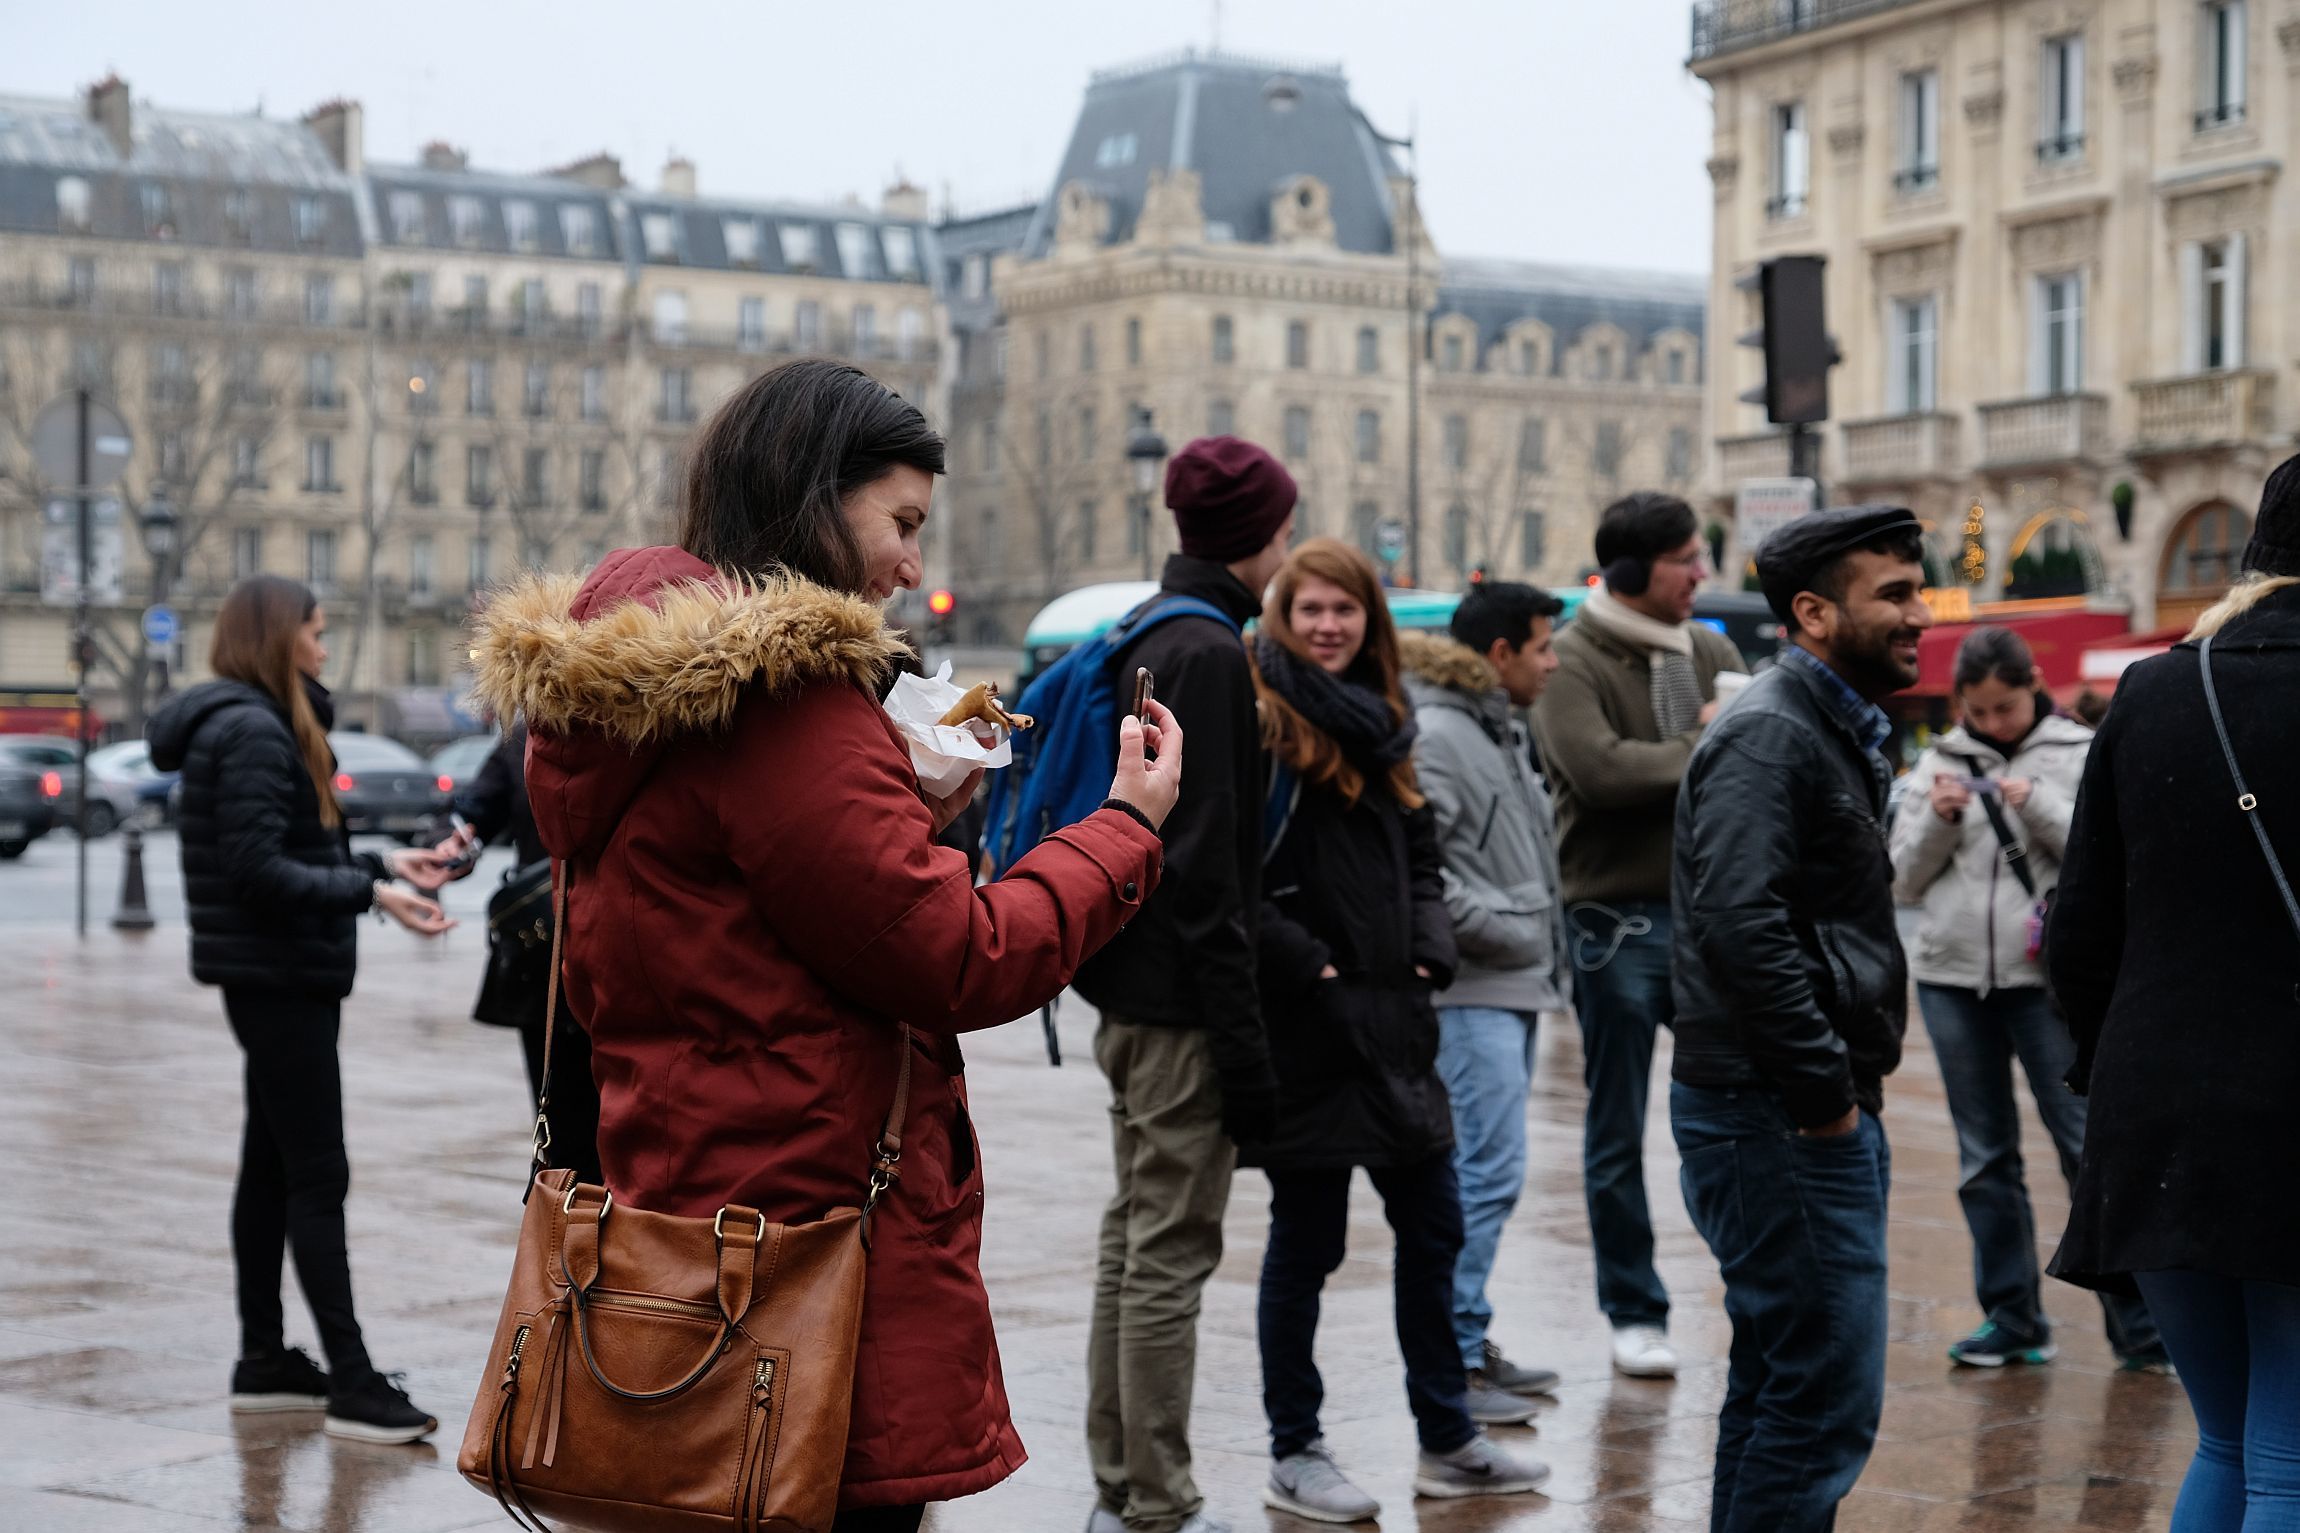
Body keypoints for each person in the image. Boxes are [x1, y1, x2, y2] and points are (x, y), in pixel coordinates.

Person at [468, 358, 1181, 1533]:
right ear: (808, 498)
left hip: (685, 1199)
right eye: (898, 523)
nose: (911, 563)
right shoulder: (785, 703)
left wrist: (898, 813)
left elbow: (738, 911)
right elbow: (960, 957)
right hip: (808, 1235)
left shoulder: (635, 701)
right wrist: (1122, 829)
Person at [1245, 538, 1549, 1524]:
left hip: (1398, 1018)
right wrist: (1315, 969)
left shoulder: (1386, 725)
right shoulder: (1259, 721)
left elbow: (1420, 857)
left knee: (1433, 1228)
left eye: (1344, 610)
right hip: (1310, 1025)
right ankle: (1295, 1450)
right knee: (1307, 1243)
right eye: (1308, 610)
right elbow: (1228, 884)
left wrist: (1428, 956)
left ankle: (1446, 1437)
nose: (1326, 626)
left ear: (1369, 622)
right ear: (1281, 618)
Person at [147, 574, 460, 1445]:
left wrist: (393, 865)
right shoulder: (251, 728)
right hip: (280, 977)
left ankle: (265, 1362)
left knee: (273, 1167)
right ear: (282, 637)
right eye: (316, 633)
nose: (325, 647)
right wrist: (372, 894)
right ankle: (353, 1385)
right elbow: (256, 871)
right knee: (318, 1175)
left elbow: (292, 839)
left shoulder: (254, 722)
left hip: (279, 976)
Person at [2048, 452, 2300, 1530]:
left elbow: (2075, 929)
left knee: (2225, 1441)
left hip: (2153, 1107)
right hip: (2288, 1107)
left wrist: (2107, 1070)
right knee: (2289, 1459)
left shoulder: (2153, 688)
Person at [1670, 505, 1932, 1532]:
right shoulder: (1772, 732)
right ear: (1813, 614)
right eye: (1895, 595)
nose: (1919, 614)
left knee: (1783, 1382)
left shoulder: (1816, 723)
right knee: (1820, 1398)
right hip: (1776, 1107)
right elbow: (1743, 925)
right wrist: (1822, 1096)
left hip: (1789, 1101)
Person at [1072, 436, 1292, 1533]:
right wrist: (1241, 1038)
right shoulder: (1207, 652)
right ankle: (1155, 1499)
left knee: (1135, 1234)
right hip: (1177, 1005)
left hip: (1130, 987)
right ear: (1260, 535)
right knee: (1169, 1248)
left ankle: (1120, 1482)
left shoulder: (1155, 632)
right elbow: (1206, 871)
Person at [1888, 628, 2166, 1372]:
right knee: (1984, 1158)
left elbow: (2105, 858)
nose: (1993, 724)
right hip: (1952, 977)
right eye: (1977, 711)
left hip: (2048, 983)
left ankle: (2140, 1327)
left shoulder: (2080, 752)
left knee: (2084, 1148)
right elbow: (1903, 881)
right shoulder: (1940, 761)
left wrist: (2036, 803)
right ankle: (2011, 1318)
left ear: (2033, 685)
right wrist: (1940, 820)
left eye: (2004, 707)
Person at [1531, 491, 1745, 1378]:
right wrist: (1708, 739)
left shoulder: (1710, 647)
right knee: (1616, 1128)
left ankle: (1750, 1288)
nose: (1703, 573)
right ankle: (1633, 1308)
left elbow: (1751, 749)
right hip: (1613, 922)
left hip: (1711, 915)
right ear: (1630, 571)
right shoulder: (1573, 657)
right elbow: (1600, 770)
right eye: (1685, 560)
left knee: (1730, 1116)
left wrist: (1724, 734)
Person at [1400, 580, 1569, 1414]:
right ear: (1499, 655)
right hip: (1472, 991)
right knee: (1482, 1172)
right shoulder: (1440, 734)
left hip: (1510, 984)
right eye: (1543, 646)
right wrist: (1523, 927)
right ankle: (1455, 1357)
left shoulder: (1493, 728)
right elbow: (1427, 883)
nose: (1553, 660)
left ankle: (1467, 1333)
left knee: (1489, 1170)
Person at [444, 719, 604, 1187]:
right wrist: (456, 838)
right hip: (547, 969)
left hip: (629, 968)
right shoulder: (531, 732)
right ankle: (569, 1253)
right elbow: (472, 810)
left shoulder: (658, 720)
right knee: (564, 1144)